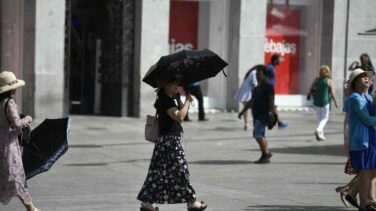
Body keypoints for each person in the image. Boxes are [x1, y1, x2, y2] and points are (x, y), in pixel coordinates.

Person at [137, 75, 207, 211]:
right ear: (165, 85)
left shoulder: (172, 98)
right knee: (182, 170)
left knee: (156, 173)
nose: (177, 86)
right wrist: (187, 101)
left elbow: (180, 111)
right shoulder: (166, 100)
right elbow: (180, 116)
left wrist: (182, 98)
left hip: (164, 142)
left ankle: (146, 203)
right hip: (170, 142)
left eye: (177, 83)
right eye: (174, 84)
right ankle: (191, 202)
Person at [0, 71, 40, 211]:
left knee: (5, 175)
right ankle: (31, 208)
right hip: (9, 145)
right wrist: (27, 119)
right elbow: (17, 124)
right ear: (11, 88)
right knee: (16, 175)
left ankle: (31, 207)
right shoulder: (9, 103)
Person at [343, 68, 376, 210]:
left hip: (371, 138)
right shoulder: (355, 98)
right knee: (366, 171)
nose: (366, 78)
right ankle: (364, 203)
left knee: (371, 170)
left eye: (367, 77)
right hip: (361, 140)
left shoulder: (367, 97)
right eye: (362, 77)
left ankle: (355, 193)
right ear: (355, 83)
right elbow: (367, 119)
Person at [238, 65, 275, 164]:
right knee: (261, 134)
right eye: (257, 75)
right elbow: (251, 102)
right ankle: (266, 152)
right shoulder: (256, 88)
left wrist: (271, 113)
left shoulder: (269, 87)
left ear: (265, 76)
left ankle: (265, 154)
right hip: (257, 115)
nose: (258, 77)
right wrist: (242, 111)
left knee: (257, 134)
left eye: (260, 75)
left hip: (264, 115)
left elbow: (271, 101)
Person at [307, 65, 339, 141]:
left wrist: (309, 94)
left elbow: (311, 89)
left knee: (319, 118)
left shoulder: (316, 80)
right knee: (325, 118)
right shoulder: (329, 80)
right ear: (328, 72)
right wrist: (335, 102)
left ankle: (320, 135)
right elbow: (332, 93)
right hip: (325, 102)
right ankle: (318, 130)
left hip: (316, 101)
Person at [265, 54, 288, 128]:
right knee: (272, 106)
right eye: (279, 60)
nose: (280, 61)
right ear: (275, 60)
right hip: (268, 90)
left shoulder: (272, 67)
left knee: (272, 106)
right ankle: (278, 122)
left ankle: (278, 122)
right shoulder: (269, 68)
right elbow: (263, 76)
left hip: (270, 90)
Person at [234, 65, 259, 131]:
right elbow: (254, 83)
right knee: (251, 108)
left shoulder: (251, 72)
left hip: (246, 93)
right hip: (248, 93)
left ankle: (246, 124)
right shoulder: (254, 72)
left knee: (246, 108)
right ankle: (250, 124)